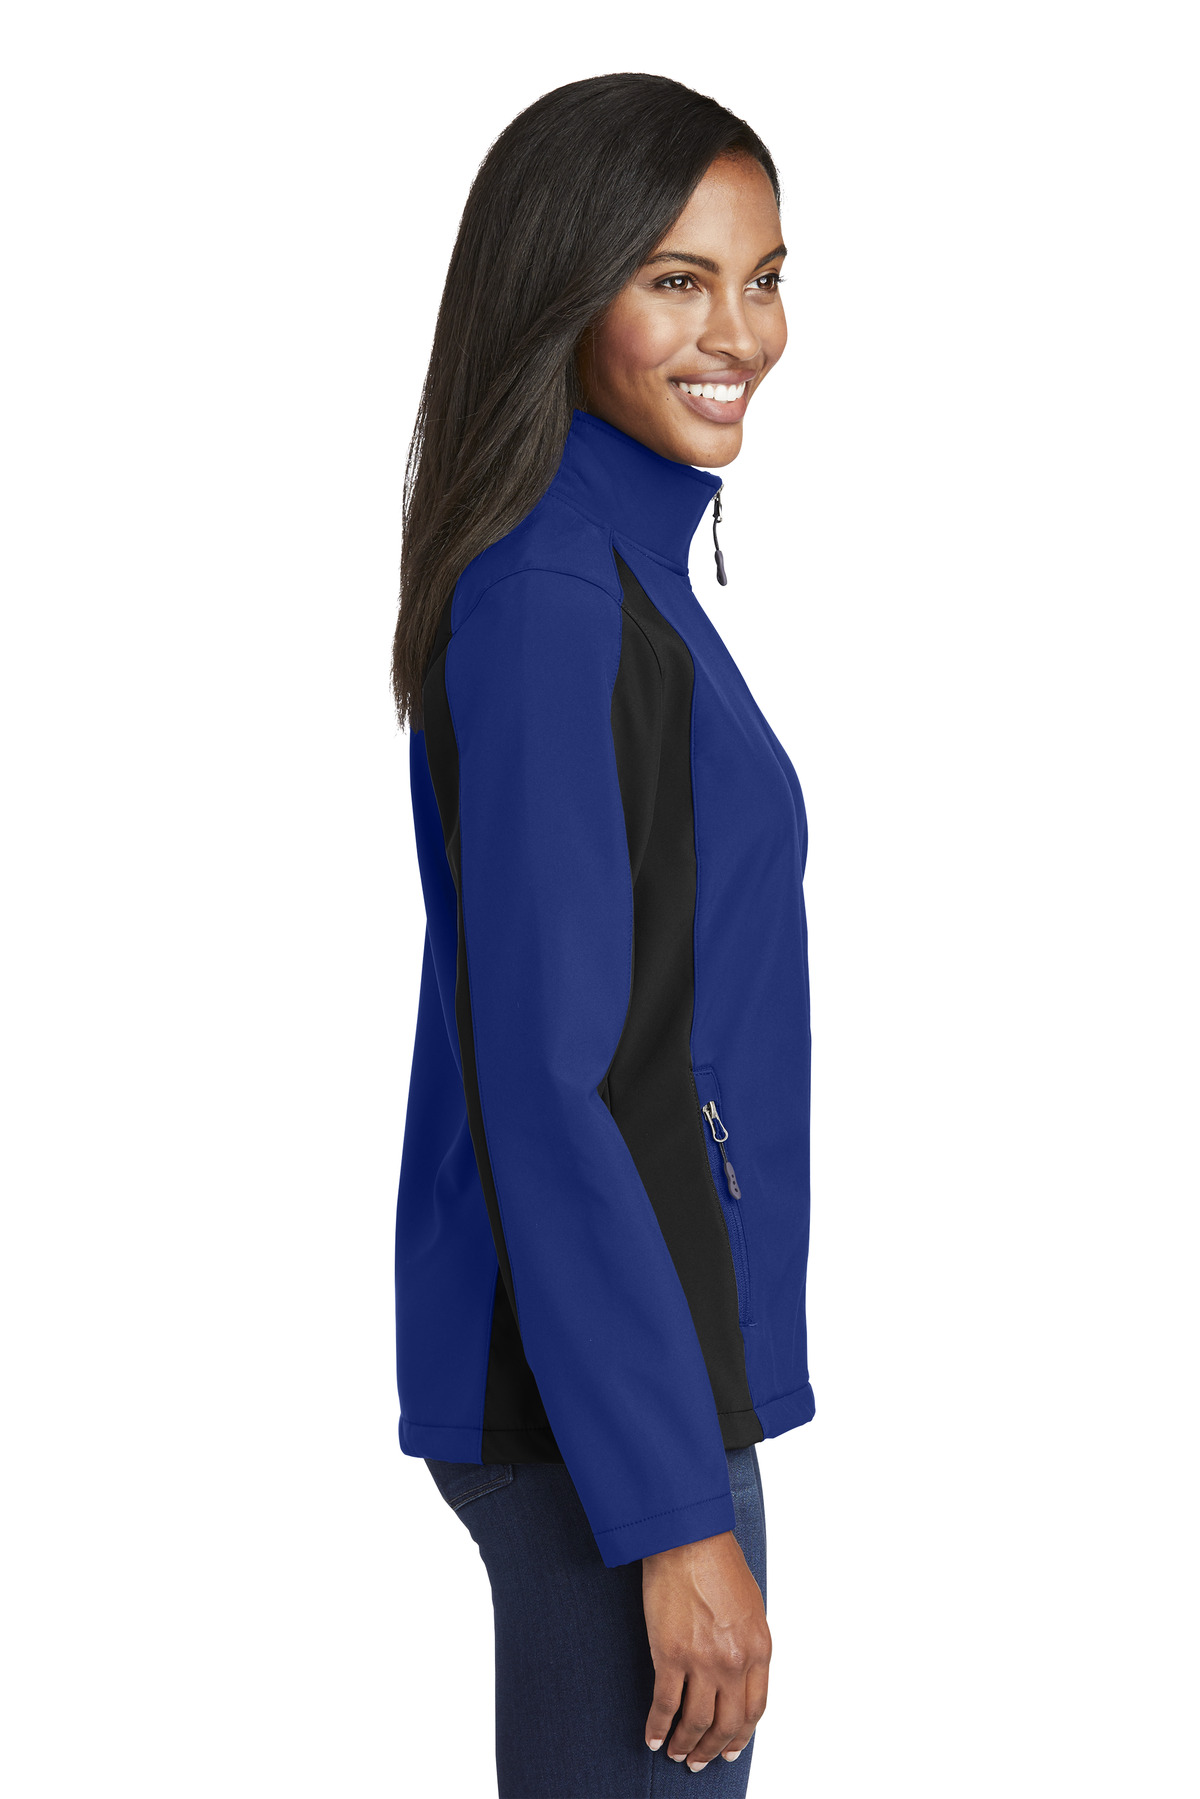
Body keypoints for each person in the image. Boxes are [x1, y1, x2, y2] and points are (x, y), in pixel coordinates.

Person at [390, 74, 815, 1797]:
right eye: (678, 280)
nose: (741, 334)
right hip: (606, 1401)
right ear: (564, 291)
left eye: (763, 278)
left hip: (637, 1370)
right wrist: (669, 1507)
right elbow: (549, 1077)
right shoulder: (555, 598)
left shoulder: (616, 575)